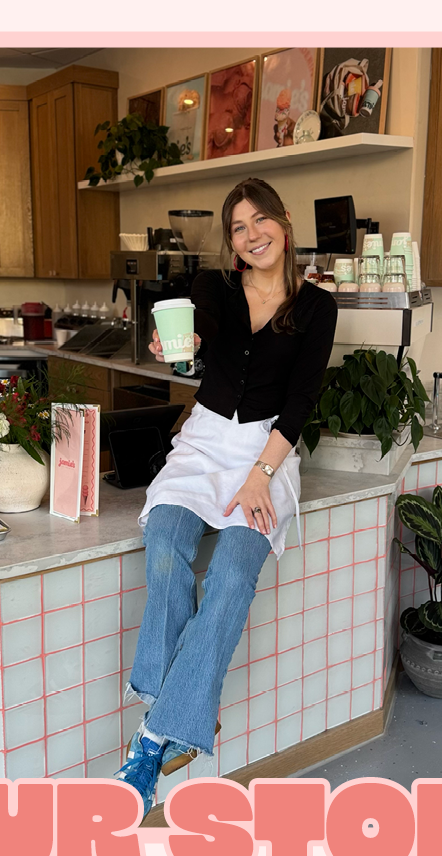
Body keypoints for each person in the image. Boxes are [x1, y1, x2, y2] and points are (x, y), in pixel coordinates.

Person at [115, 176, 338, 810]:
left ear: (284, 221)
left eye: (259, 220)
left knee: (235, 576)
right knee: (164, 549)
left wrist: (261, 474)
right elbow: (197, 351)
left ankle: (153, 737)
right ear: (232, 241)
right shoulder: (213, 286)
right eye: (238, 228)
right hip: (206, 442)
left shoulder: (317, 307)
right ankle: (183, 712)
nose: (251, 235)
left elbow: (300, 402)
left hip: (266, 453)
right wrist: (173, 354)